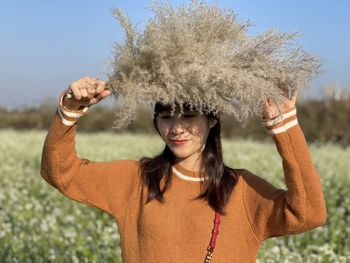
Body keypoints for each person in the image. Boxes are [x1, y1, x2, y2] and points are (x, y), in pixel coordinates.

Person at [40, 76, 327, 263]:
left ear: (212, 120)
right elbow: (62, 173)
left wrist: (284, 128)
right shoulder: (137, 179)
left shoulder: (241, 189)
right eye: (166, 117)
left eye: (189, 116)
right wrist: (69, 111)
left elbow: (309, 213)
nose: (176, 128)